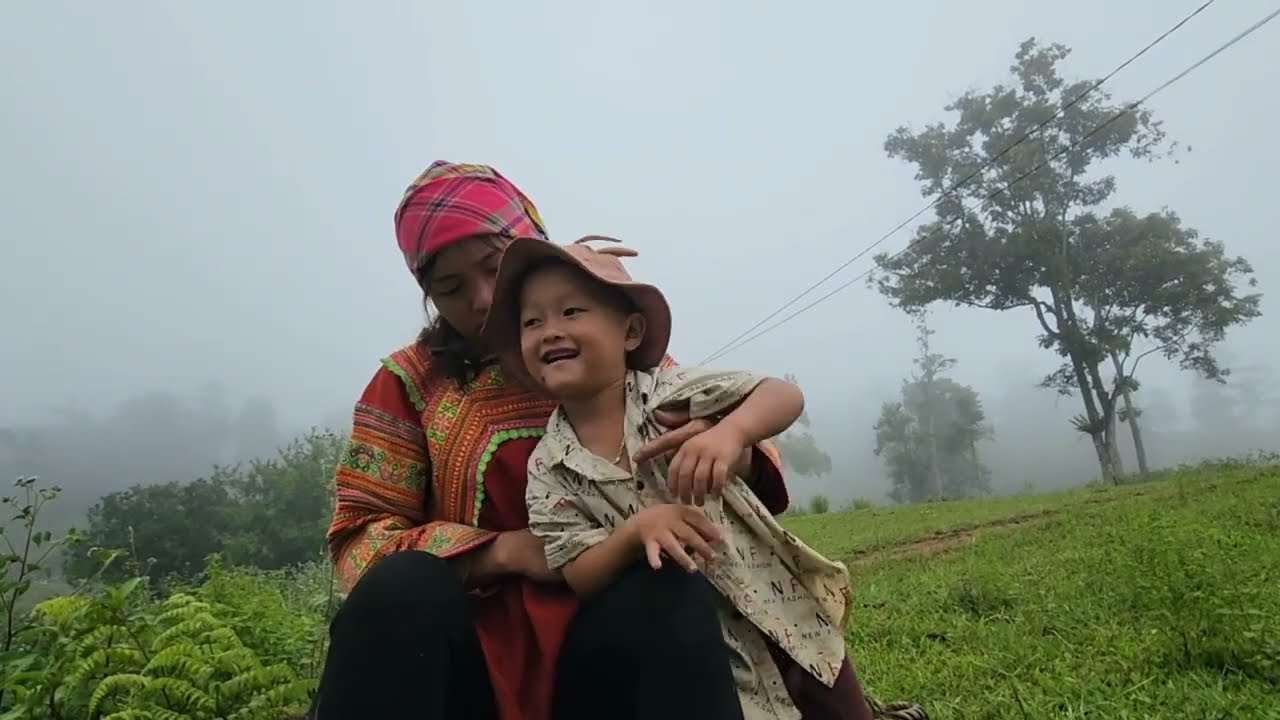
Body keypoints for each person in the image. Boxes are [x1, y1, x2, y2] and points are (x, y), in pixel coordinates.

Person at [311, 161, 795, 720]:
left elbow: (734, 437)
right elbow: (358, 543)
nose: (484, 298)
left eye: (497, 268)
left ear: (529, 249)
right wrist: (505, 552)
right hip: (469, 663)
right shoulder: (408, 384)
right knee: (400, 586)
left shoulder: (599, 340)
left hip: (615, 640)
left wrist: (725, 444)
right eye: (451, 288)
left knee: (666, 585)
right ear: (429, 297)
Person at [480, 236, 925, 720]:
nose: (549, 331)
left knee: (836, 705)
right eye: (532, 321)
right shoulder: (548, 465)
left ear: (630, 332)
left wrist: (731, 433)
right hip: (695, 640)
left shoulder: (669, 395)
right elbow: (577, 571)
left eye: (571, 312)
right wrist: (633, 533)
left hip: (777, 604)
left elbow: (782, 394)